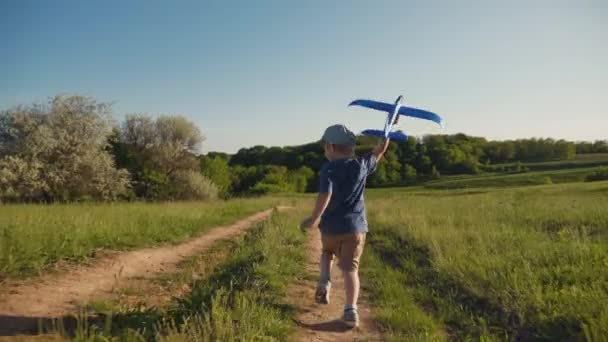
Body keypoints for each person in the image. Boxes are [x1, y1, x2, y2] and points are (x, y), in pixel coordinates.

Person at [300, 124, 391, 328]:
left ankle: (324, 280)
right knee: (351, 270)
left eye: (325, 146)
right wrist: (386, 137)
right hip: (355, 229)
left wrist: (315, 217)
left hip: (331, 228)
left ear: (331, 147)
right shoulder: (360, 165)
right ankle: (350, 309)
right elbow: (379, 151)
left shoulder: (328, 169)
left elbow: (326, 194)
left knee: (327, 253)